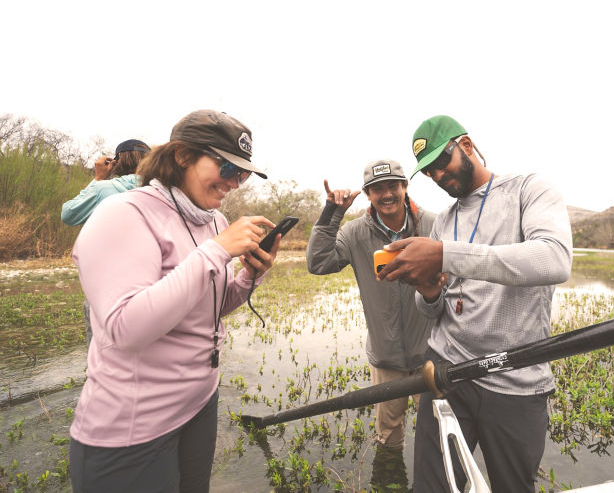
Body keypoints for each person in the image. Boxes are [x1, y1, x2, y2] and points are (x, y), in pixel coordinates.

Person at [68, 110, 279, 493]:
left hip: (200, 404)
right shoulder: (123, 214)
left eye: (243, 174)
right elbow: (125, 329)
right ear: (182, 156)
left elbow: (210, 307)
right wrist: (215, 252)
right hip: (133, 430)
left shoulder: (214, 221)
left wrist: (250, 274)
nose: (234, 182)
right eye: (228, 168)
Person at [377, 115, 573, 493]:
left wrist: (445, 254)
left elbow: (554, 260)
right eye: (429, 171)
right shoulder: (444, 220)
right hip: (447, 376)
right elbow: (434, 310)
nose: (437, 175)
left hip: (515, 382)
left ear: (466, 145)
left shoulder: (529, 190)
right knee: (432, 487)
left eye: (441, 162)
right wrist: (428, 291)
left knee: (513, 487)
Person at [306, 159, 436, 450]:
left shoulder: (433, 225)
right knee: (389, 438)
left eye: (393, 185)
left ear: (405, 187)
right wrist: (332, 212)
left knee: (439, 433)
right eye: (377, 189)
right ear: (367, 194)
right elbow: (318, 263)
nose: (386, 194)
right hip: (385, 358)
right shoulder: (354, 233)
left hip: (431, 355)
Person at [61, 138, 151, 347]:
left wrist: (99, 178)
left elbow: (69, 214)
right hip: (153, 286)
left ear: (118, 161)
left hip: (108, 289)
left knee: (101, 356)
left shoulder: (105, 189)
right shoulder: (164, 190)